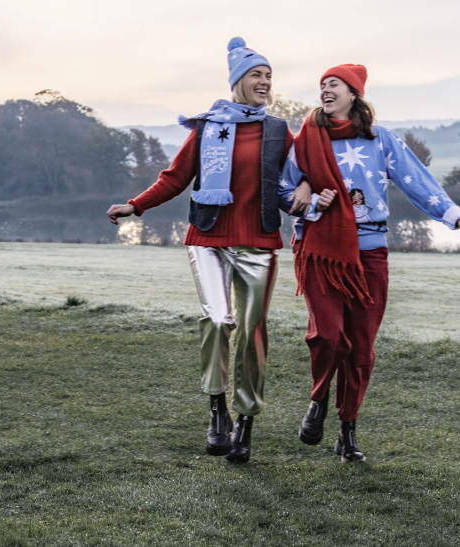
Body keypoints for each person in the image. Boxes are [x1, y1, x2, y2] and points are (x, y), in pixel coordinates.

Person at [107, 38, 336, 464]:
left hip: (259, 242)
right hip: (208, 237)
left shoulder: (277, 131)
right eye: (256, 74)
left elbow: (296, 177)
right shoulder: (209, 127)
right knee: (217, 320)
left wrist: (306, 187)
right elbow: (176, 177)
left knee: (252, 334)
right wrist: (135, 205)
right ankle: (217, 411)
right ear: (238, 81)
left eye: (269, 76)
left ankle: (245, 422)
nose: (265, 82)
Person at [279, 64, 460, 462]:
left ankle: (348, 429)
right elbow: (284, 189)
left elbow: (418, 180)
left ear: (353, 93)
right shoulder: (305, 140)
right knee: (328, 336)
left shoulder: (379, 140)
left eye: (333, 83)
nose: (325, 89)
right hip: (320, 249)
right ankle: (318, 400)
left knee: (360, 350)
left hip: (369, 252)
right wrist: (308, 200)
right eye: (321, 84)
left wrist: (457, 218)